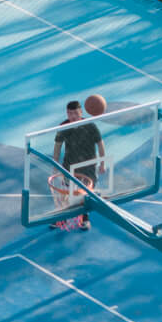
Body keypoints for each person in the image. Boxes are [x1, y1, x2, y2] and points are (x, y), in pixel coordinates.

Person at [51, 98, 106, 231]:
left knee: (84, 195)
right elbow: (57, 147)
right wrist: (55, 164)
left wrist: (102, 163)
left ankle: (85, 219)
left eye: (75, 113)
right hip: (70, 166)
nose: (73, 116)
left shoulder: (90, 125)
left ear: (81, 112)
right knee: (66, 194)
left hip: (88, 167)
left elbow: (100, 144)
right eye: (70, 113)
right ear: (67, 113)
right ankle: (62, 218)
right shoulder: (64, 127)